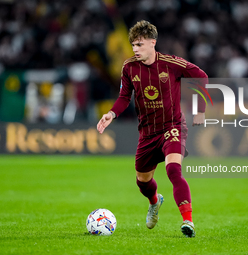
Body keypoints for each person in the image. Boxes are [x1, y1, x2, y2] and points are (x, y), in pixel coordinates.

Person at [97, 20, 207, 237]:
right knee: (142, 181)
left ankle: (188, 222)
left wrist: (201, 110)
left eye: (139, 44)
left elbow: (201, 76)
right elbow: (123, 97)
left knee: (173, 170)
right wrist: (111, 114)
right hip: (147, 132)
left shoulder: (171, 64)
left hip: (172, 126)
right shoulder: (129, 67)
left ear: (152, 43)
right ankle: (155, 201)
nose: (135, 49)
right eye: (133, 45)